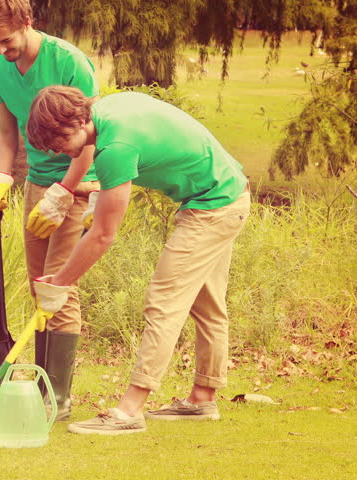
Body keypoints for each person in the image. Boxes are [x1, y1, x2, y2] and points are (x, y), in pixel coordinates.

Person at [25, 86, 251, 435]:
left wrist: (60, 281)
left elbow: (103, 235)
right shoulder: (109, 111)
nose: (58, 150)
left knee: (164, 300)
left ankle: (129, 411)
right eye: (50, 146)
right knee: (207, 306)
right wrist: (79, 192)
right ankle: (203, 398)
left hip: (214, 206)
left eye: (62, 139)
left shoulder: (115, 148)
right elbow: (118, 173)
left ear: (81, 119)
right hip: (226, 192)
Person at [0, 0, 100, 421]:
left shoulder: (68, 61)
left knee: (58, 288)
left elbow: (91, 135)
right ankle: (46, 383)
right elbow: (4, 130)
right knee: (38, 285)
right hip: (36, 183)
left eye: (7, 41)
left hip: (78, 179)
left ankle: (59, 399)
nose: (1, 51)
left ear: (27, 23)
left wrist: (65, 191)